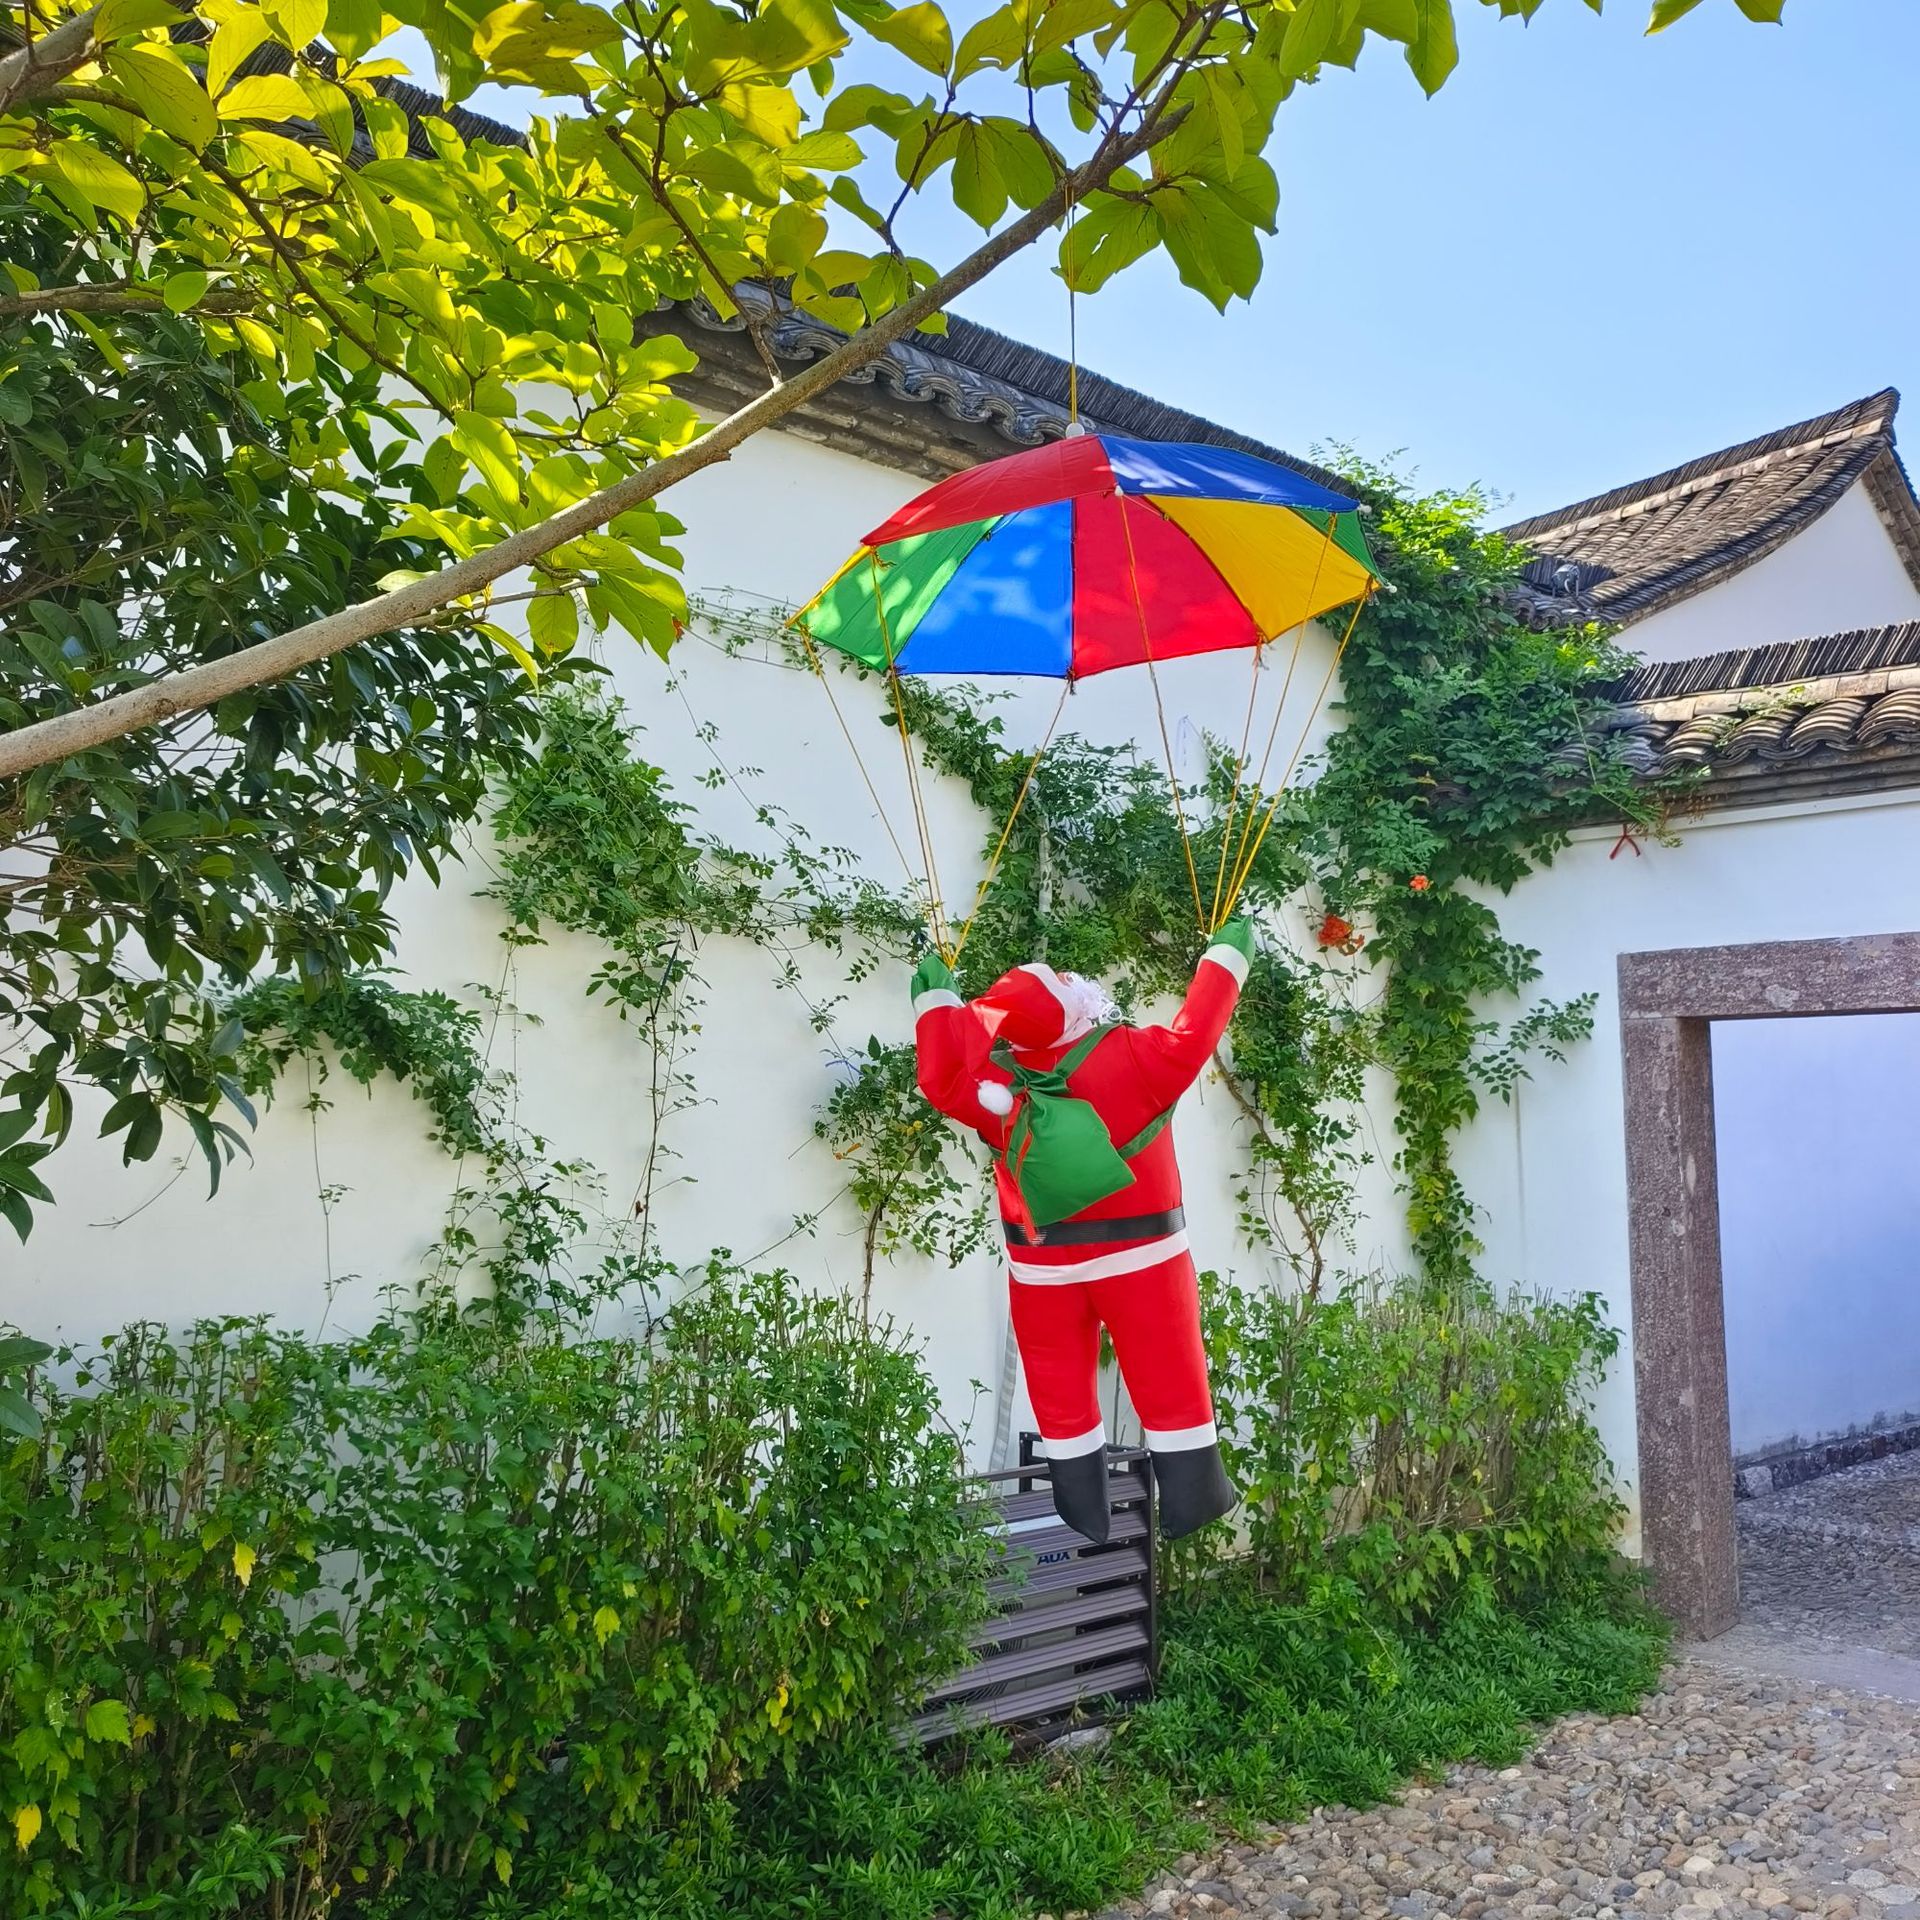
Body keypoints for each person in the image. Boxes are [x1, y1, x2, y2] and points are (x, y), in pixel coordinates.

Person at [909, 920, 1255, 1542]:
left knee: (1057, 1382)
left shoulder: (996, 1080)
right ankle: (1194, 1492)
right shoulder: (1131, 1053)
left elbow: (939, 1080)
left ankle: (1081, 1504)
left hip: (1042, 1267)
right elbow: (1195, 1033)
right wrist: (1226, 957)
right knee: (1168, 1372)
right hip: (1143, 1254)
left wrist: (936, 998)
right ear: (1077, 1006)